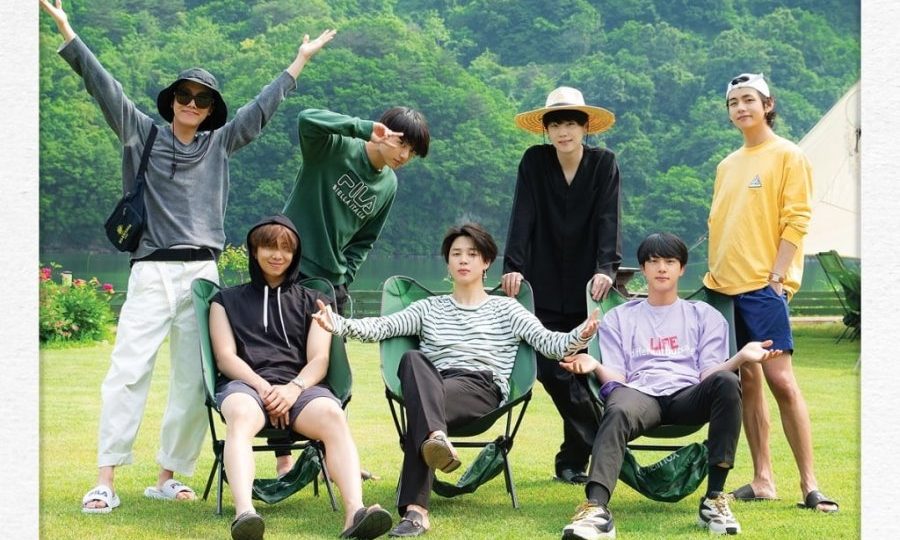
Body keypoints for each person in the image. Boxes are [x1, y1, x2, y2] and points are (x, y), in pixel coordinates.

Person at [39, 0, 336, 513]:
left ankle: (168, 475)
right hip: (152, 267)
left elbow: (259, 112)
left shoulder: (218, 145)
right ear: (172, 100)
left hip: (202, 273)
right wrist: (67, 29)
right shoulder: (142, 134)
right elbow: (103, 85)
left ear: (210, 109)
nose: (192, 104)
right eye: (184, 95)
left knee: (194, 377)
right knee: (128, 370)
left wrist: (299, 62)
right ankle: (105, 479)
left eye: (201, 99)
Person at [312, 223, 599, 537]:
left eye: (472, 254)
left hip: (481, 387)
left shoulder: (507, 309)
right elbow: (380, 327)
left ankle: (417, 507)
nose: (463, 260)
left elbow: (551, 343)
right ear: (447, 263)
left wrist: (581, 334)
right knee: (412, 360)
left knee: (421, 409)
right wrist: (336, 323)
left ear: (486, 262)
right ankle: (433, 446)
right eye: (456, 254)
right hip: (434, 384)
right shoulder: (428, 308)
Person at [559, 232, 782, 539]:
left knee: (728, 382)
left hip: (688, 396)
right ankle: (596, 508)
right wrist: (594, 365)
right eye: (653, 262)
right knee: (619, 405)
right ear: (643, 269)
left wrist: (740, 357)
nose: (661, 268)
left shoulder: (705, 315)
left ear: (681, 268)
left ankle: (714, 499)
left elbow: (708, 375)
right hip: (640, 395)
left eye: (669, 261)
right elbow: (619, 378)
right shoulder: (620, 317)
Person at [209, 215, 392, 540]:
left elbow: (319, 359)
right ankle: (245, 514)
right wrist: (264, 388)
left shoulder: (314, 301)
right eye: (269, 247)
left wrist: (293, 389)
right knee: (240, 414)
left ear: (295, 255)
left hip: (302, 388)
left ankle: (355, 512)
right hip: (246, 386)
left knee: (333, 416)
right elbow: (225, 357)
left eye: (286, 249)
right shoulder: (225, 301)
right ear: (254, 250)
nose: (277, 255)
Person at [704, 73, 838, 513]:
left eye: (749, 100)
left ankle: (810, 484)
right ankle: (763, 479)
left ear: (767, 105)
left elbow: (797, 220)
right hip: (723, 290)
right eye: (733, 102)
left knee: (781, 380)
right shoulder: (727, 165)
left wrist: (778, 277)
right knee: (747, 381)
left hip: (763, 288)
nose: (741, 108)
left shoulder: (788, 155)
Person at [277, 106, 429, 475]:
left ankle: (334, 457)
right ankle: (284, 460)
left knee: (335, 372)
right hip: (290, 269)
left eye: (412, 152)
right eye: (401, 144)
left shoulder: (388, 184)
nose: (404, 155)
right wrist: (361, 128)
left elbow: (365, 239)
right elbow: (305, 119)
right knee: (282, 361)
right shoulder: (332, 147)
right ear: (383, 131)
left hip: (332, 284)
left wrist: (345, 276)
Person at [502, 86, 622, 484]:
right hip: (543, 283)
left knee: (581, 370)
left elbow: (609, 218)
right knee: (551, 367)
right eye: (555, 124)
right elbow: (523, 214)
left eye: (571, 123)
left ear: (585, 127)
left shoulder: (604, 164)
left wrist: (606, 268)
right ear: (546, 130)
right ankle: (603, 435)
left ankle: (571, 460)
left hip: (590, 288)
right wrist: (513, 266)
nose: (563, 132)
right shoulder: (534, 161)